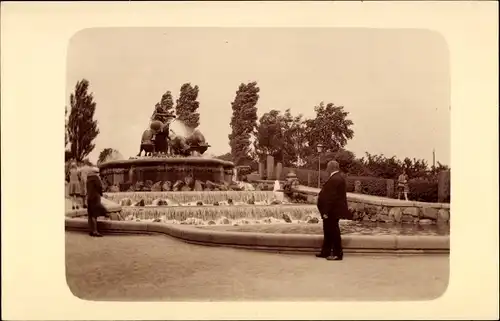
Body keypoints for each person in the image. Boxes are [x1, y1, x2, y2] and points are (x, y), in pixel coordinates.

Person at [316, 160, 352, 261]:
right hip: (332, 210)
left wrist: (325, 211)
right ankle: (325, 251)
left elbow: (330, 197)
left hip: (332, 211)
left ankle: (337, 253)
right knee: (328, 231)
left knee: (333, 232)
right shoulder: (337, 178)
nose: (326, 169)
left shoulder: (335, 179)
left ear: (331, 167)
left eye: (327, 167)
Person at [86, 168, 107, 237]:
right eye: (98, 172)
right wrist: (101, 193)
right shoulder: (96, 178)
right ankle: (95, 231)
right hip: (95, 197)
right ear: (96, 172)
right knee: (94, 215)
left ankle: (91, 231)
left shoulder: (88, 179)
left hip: (89, 197)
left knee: (90, 215)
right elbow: (99, 187)